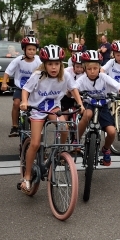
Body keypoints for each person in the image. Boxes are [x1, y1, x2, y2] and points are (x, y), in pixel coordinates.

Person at [19, 45, 84, 194]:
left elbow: (73, 89)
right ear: (44, 64)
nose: (53, 67)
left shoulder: (65, 76)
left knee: (64, 127)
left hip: (53, 107)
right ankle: (27, 177)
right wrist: (24, 101)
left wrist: (80, 104)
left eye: (56, 64)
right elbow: (26, 89)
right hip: (37, 109)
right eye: (50, 64)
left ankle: (58, 152)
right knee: (35, 143)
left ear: (61, 64)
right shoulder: (38, 75)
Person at [76, 50, 120, 166]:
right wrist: (72, 95)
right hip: (89, 103)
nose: (92, 71)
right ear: (84, 69)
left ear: (99, 68)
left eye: (95, 68)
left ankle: (106, 149)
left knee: (111, 132)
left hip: (103, 105)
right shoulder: (82, 79)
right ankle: (76, 141)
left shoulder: (104, 77)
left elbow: (118, 86)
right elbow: (73, 88)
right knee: (87, 115)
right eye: (89, 69)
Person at [1, 36, 42, 137]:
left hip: (33, 88)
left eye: (34, 49)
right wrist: (4, 83)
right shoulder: (18, 60)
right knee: (16, 103)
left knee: (37, 107)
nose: (32, 51)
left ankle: (37, 125)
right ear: (24, 49)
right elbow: (8, 71)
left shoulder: (38, 61)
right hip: (20, 87)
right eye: (29, 49)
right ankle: (14, 126)